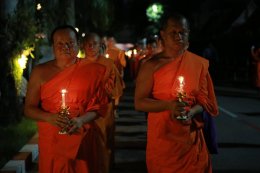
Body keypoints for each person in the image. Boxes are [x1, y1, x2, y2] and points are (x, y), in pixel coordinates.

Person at [134, 11, 219, 173]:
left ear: (188, 35)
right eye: (173, 32)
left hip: (191, 141)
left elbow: (205, 101)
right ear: (163, 35)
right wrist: (168, 105)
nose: (178, 36)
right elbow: (139, 102)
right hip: (163, 142)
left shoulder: (197, 64)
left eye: (183, 32)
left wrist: (192, 111)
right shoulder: (151, 66)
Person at [24, 25, 108, 173]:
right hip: (53, 140)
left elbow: (99, 107)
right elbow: (29, 109)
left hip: (82, 137)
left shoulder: (92, 70)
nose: (65, 47)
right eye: (60, 44)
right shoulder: (40, 72)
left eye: (70, 43)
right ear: (53, 46)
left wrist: (81, 120)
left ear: (78, 44)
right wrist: (49, 117)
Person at [82, 32, 123, 172]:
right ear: (83, 45)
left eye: (94, 43)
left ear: (100, 46)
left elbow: (117, 89)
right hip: (84, 112)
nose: (91, 46)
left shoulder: (109, 64)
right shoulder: (78, 65)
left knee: (104, 144)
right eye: (88, 43)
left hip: (104, 113)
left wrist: (104, 91)